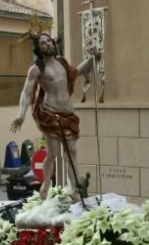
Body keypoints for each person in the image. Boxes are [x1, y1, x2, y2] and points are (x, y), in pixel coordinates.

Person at [10, 32, 99, 199]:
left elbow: (77, 72)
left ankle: (75, 190)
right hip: (49, 114)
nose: (48, 44)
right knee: (53, 154)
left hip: (68, 113)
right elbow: (27, 92)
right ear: (38, 48)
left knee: (72, 150)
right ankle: (45, 184)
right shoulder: (36, 69)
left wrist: (93, 57)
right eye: (43, 43)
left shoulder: (62, 63)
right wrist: (21, 114)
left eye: (49, 41)